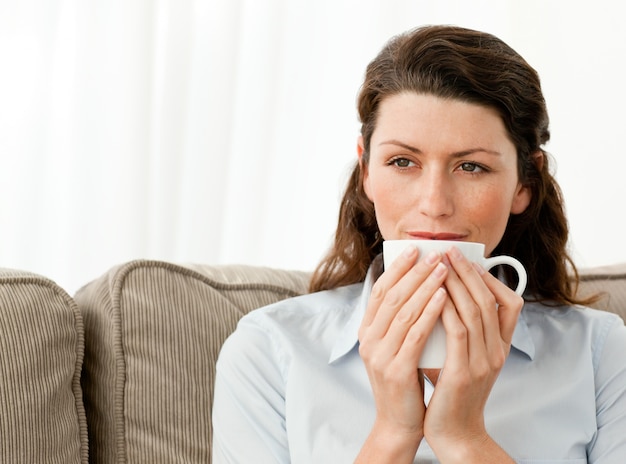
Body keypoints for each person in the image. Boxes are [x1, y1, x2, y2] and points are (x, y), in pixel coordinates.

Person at [212, 25, 626, 463]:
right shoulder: (270, 350)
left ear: (524, 182)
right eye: (403, 161)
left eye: (471, 167)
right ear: (367, 170)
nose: (434, 204)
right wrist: (394, 431)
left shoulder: (600, 354)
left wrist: (464, 437)